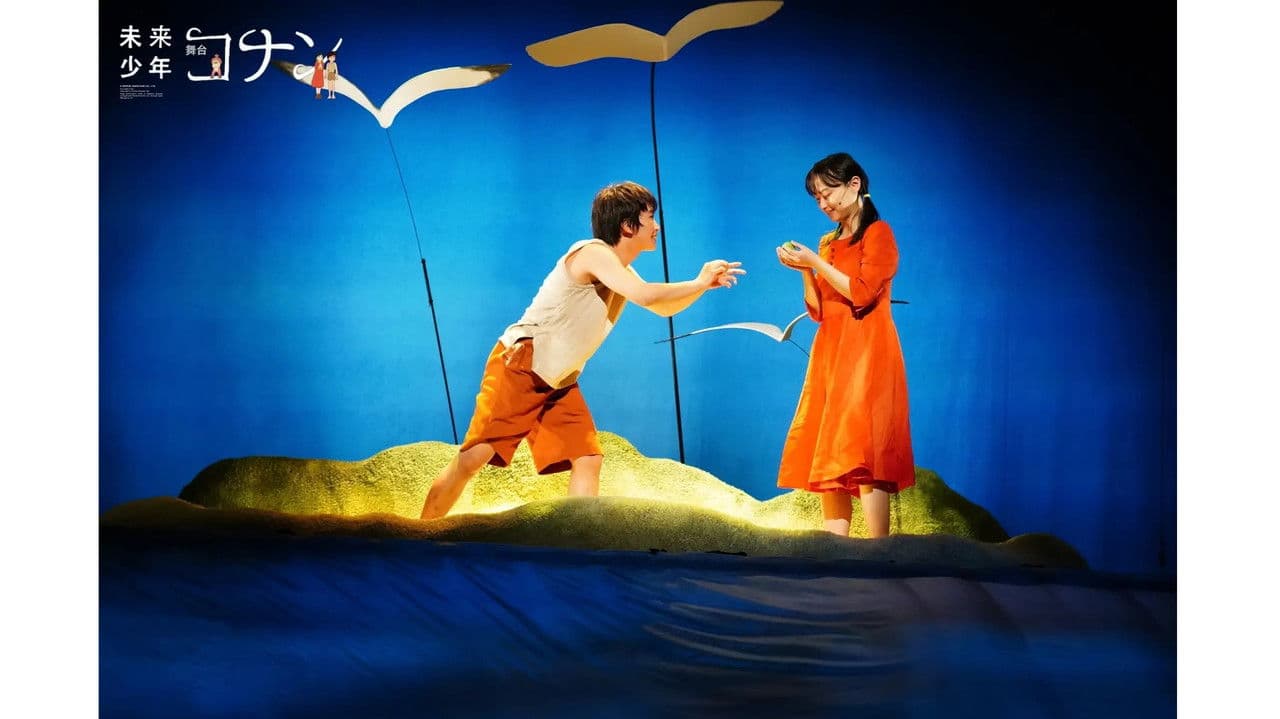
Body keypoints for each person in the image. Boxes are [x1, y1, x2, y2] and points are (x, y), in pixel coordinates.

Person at [419, 181, 745, 520]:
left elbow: (663, 308)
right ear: (627, 225)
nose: (657, 226)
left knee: (587, 458)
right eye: (650, 217)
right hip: (523, 364)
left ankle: (577, 538)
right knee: (474, 457)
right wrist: (698, 281)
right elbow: (647, 296)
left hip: (558, 379)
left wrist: (702, 287)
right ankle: (422, 532)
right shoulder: (592, 253)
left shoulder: (621, 271)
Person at [775, 152, 915, 538]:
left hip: (868, 351)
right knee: (831, 447)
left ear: (854, 185)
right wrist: (805, 270)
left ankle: (879, 551)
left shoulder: (878, 234)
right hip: (831, 353)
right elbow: (818, 310)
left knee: (865, 448)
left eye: (828, 193)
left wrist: (816, 264)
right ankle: (835, 552)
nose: (824, 204)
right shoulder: (827, 243)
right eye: (817, 198)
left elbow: (862, 293)